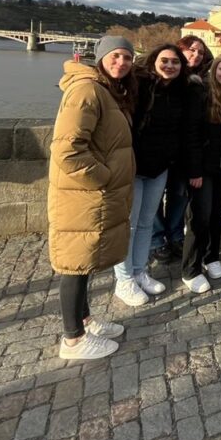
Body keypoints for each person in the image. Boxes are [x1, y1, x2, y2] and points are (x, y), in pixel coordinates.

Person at [48, 35, 137, 360]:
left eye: (127, 57)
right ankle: (73, 339)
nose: (121, 63)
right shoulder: (86, 90)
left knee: (83, 262)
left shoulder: (103, 89)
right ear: (100, 59)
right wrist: (104, 177)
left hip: (91, 196)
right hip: (84, 195)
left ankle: (85, 321)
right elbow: (67, 150)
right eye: (115, 56)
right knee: (74, 265)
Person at [114, 43, 201, 307]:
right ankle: (124, 279)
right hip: (133, 165)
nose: (170, 66)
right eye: (165, 61)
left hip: (160, 166)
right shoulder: (138, 85)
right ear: (153, 61)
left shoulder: (184, 91)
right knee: (128, 225)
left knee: (144, 223)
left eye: (175, 62)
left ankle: (140, 271)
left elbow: (188, 132)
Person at [182, 53, 221, 293]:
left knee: (217, 215)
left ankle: (212, 256)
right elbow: (192, 135)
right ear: (214, 70)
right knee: (199, 217)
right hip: (203, 168)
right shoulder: (202, 93)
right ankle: (190, 269)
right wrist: (194, 170)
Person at [151, 35, 212, 264]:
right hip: (157, 150)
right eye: (191, 51)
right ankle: (157, 240)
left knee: (179, 196)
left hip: (183, 151)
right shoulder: (159, 80)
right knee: (155, 199)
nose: (196, 55)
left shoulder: (200, 82)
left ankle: (175, 236)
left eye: (200, 52)